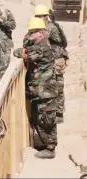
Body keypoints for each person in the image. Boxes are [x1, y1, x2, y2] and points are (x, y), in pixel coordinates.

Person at [14, 17, 58, 159]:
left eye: (33, 33)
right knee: (41, 118)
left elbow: (23, 53)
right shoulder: (41, 44)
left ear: (40, 33)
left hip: (46, 91)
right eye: (30, 32)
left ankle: (50, 149)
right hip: (43, 90)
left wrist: (21, 50)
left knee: (47, 119)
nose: (30, 35)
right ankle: (44, 144)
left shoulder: (42, 47)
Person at [23, 4, 68, 124]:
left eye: (39, 16)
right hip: (56, 57)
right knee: (56, 85)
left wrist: (29, 35)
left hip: (57, 58)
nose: (38, 18)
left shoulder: (48, 27)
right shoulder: (50, 25)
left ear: (45, 17)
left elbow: (30, 40)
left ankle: (57, 113)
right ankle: (58, 113)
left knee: (56, 86)